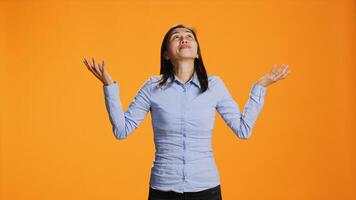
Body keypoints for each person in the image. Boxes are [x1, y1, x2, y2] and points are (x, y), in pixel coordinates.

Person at [83, 24, 291, 200]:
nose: (183, 39)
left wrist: (260, 87)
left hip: (206, 189)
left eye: (189, 37)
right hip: (163, 189)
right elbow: (122, 130)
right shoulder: (152, 87)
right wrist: (109, 86)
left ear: (197, 52)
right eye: (176, 37)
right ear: (166, 53)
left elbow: (243, 130)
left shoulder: (214, 86)